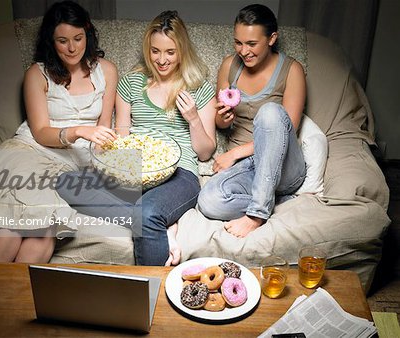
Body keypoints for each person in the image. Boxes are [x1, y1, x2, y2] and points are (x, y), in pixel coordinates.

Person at [57, 10, 217, 266]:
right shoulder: (131, 83)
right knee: (67, 182)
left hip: (180, 174)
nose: (162, 60)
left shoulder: (200, 88)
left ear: (182, 51)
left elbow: (205, 152)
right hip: (134, 169)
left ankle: (152, 225)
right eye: (155, 51)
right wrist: (113, 158)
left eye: (170, 52)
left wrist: (194, 119)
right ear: (147, 49)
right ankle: (163, 226)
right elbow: (122, 134)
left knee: (147, 211)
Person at [0, 0, 118, 263]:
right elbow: (41, 131)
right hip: (31, 152)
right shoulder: (37, 74)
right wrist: (78, 131)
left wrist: (106, 162)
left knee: (43, 235)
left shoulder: (107, 71)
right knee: (13, 219)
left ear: (87, 32)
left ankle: (13, 303)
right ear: (51, 41)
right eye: (62, 41)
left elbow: (103, 128)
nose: (72, 48)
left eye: (78, 38)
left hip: (69, 165)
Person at [197, 4, 307, 238]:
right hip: (248, 168)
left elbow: (287, 133)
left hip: (283, 163)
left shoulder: (292, 70)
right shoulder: (229, 65)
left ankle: (257, 214)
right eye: (238, 42)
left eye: (251, 44)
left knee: (270, 112)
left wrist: (234, 153)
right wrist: (224, 118)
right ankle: (275, 200)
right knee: (208, 201)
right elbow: (221, 123)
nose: (243, 51)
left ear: (272, 38)